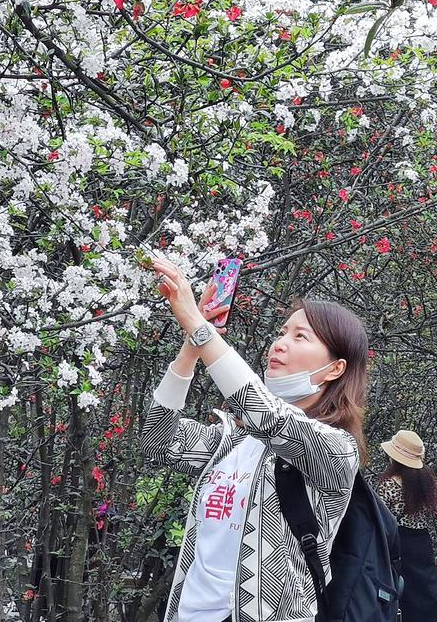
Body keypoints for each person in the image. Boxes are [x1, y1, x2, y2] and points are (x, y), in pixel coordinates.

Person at [140, 256, 368, 622]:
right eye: (282, 332)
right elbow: (157, 441)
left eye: (300, 336)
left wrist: (200, 326)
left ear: (336, 368)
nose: (280, 344)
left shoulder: (336, 450)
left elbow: (271, 417)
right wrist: (191, 347)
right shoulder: (236, 440)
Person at [375, 430, 437, 621]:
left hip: (398, 546)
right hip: (422, 544)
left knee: (402, 596)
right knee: (427, 594)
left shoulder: (388, 485)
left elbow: (381, 523)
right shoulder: (430, 482)